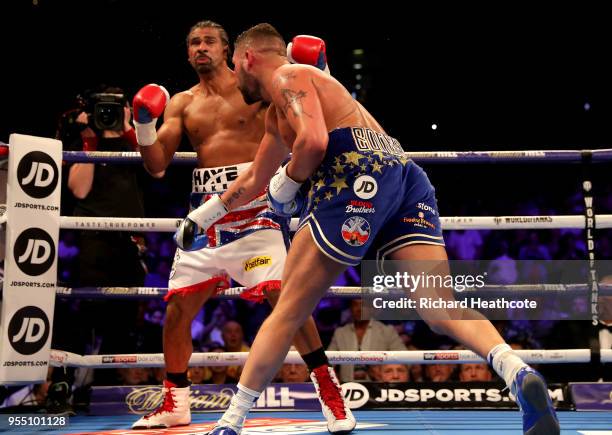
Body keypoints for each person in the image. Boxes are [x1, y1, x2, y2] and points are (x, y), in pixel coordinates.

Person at [176, 23, 560, 435]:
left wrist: (287, 181)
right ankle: (516, 371)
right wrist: (207, 215)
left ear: (248, 58)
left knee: (288, 310)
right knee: (438, 307)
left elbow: (314, 143)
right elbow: (254, 179)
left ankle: (230, 423)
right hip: (403, 175)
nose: (234, 78)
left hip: (354, 175)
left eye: (234, 66)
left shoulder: (290, 76)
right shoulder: (281, 111)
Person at [130, 21, 353, 432]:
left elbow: (307, 109)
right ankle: (175, 402)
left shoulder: (254, 87)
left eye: (209, 42)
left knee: (283, 298)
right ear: (187, 52)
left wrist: (323, 71)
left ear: (230, 50)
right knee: (178, 310)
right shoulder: (182, 102)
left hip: (257, 206)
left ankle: (329, 392)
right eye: (194, 42)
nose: (201, 48)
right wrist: (142, 123)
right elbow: (156, 165)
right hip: (206, 212)